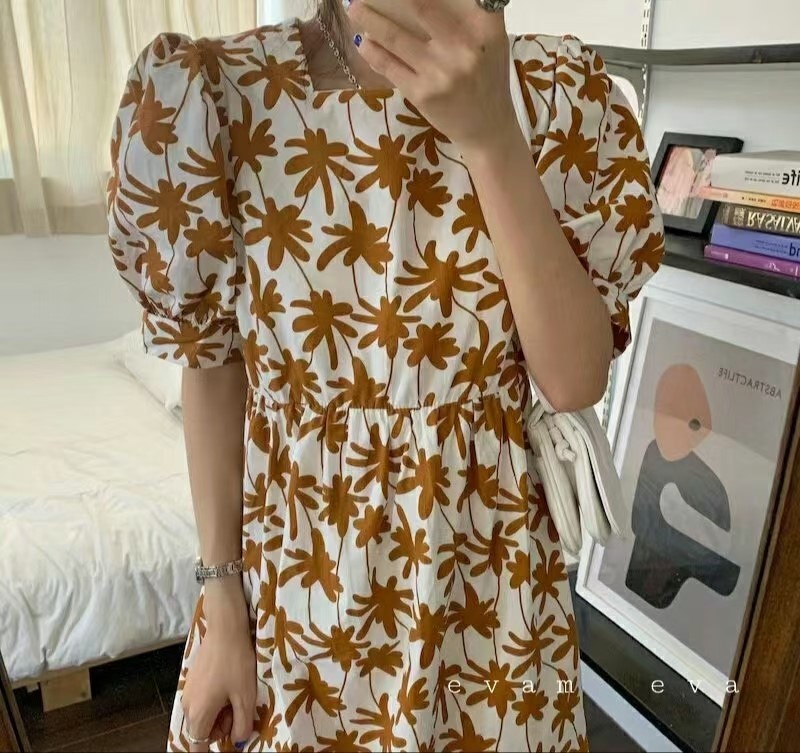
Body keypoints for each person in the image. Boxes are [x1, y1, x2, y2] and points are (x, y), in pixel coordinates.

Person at [107, 0, 665, 750]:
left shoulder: (554, 92)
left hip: (488, 590)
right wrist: (222, 601)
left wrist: (491, 135)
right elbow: (213, 365)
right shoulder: (219, 97)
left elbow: (572, 381)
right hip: (300, 594)